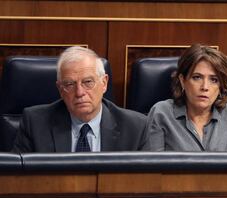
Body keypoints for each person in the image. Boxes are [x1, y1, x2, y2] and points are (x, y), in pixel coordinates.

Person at [12, 46, 147, 152]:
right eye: (70, 84)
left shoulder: (135, 127)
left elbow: (145, 183)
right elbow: (17, 179)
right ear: (60, 89)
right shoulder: (35, 123)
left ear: (104, 83)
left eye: (88, 82)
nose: (79, 92)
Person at [145, 44, 227, 151]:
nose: (205, 87)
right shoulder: (162, 113)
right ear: (183, 81)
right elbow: (149, 169)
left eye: (214, 80)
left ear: (221, 86)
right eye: (197, 77)